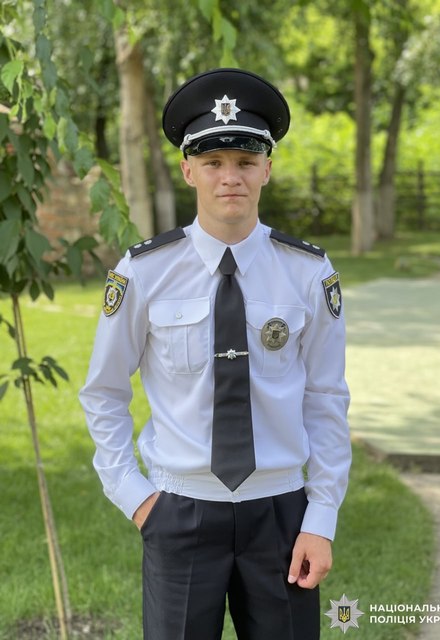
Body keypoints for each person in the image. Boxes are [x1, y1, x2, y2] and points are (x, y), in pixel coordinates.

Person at [79, 68, 351, 640]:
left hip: (282, 514)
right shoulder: (144, 272)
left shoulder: (307, 272)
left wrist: (321, 517)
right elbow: (104, 392)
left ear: (267, 169)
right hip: (179, 512)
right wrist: (135, 496)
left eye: (247, 161)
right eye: (213, 162)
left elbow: (326, 397)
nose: (231, 177)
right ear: (188, 170)